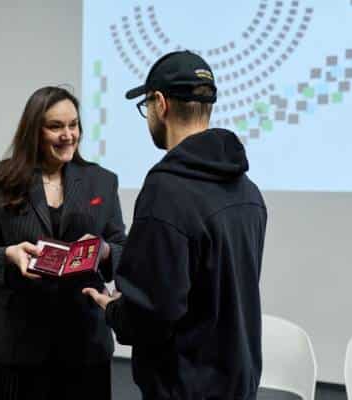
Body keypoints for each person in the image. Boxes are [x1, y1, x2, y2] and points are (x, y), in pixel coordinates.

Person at [83, 50, 268, 400]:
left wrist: (114, 310)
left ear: (161, 103)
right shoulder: (249, 192)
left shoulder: (166, 191)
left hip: (185, 387)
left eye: (147, 107)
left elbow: (153, 313)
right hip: (237, 384)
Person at [0, 86, 126, 400]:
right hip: (12, 341)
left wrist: (105, 250)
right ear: (33, 131)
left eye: (73, 125)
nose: (68, 135)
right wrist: (9, 254)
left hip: (82, 341)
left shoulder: (102, 181)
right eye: (56, 126)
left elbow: (121, 247)